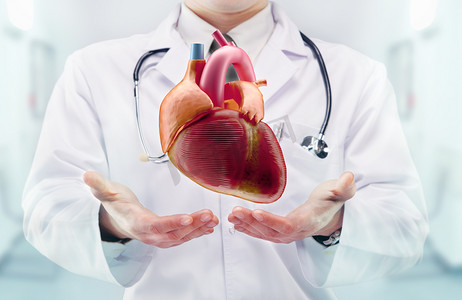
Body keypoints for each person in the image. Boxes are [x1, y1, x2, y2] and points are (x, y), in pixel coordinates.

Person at [22, 0, 428, 299]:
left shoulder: (354, 76)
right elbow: (48, 204)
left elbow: (404, 222)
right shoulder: (95, 71)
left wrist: (332, 223)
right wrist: (113, 225)